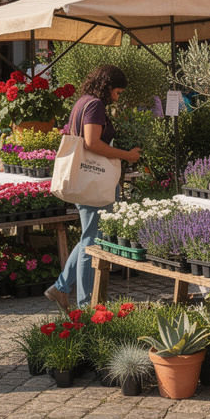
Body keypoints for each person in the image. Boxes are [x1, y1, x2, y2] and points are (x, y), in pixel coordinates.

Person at [47, 65, 142, 310]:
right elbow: (91, 143)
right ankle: (87, 303)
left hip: (84, 178)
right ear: (108, 86)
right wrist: (126, 155)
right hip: (93, 181)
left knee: (89, 236)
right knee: (93, 241)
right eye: (117, 92)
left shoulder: (82, 102)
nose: (117, 97)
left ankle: (61, 287)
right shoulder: (95, 105)